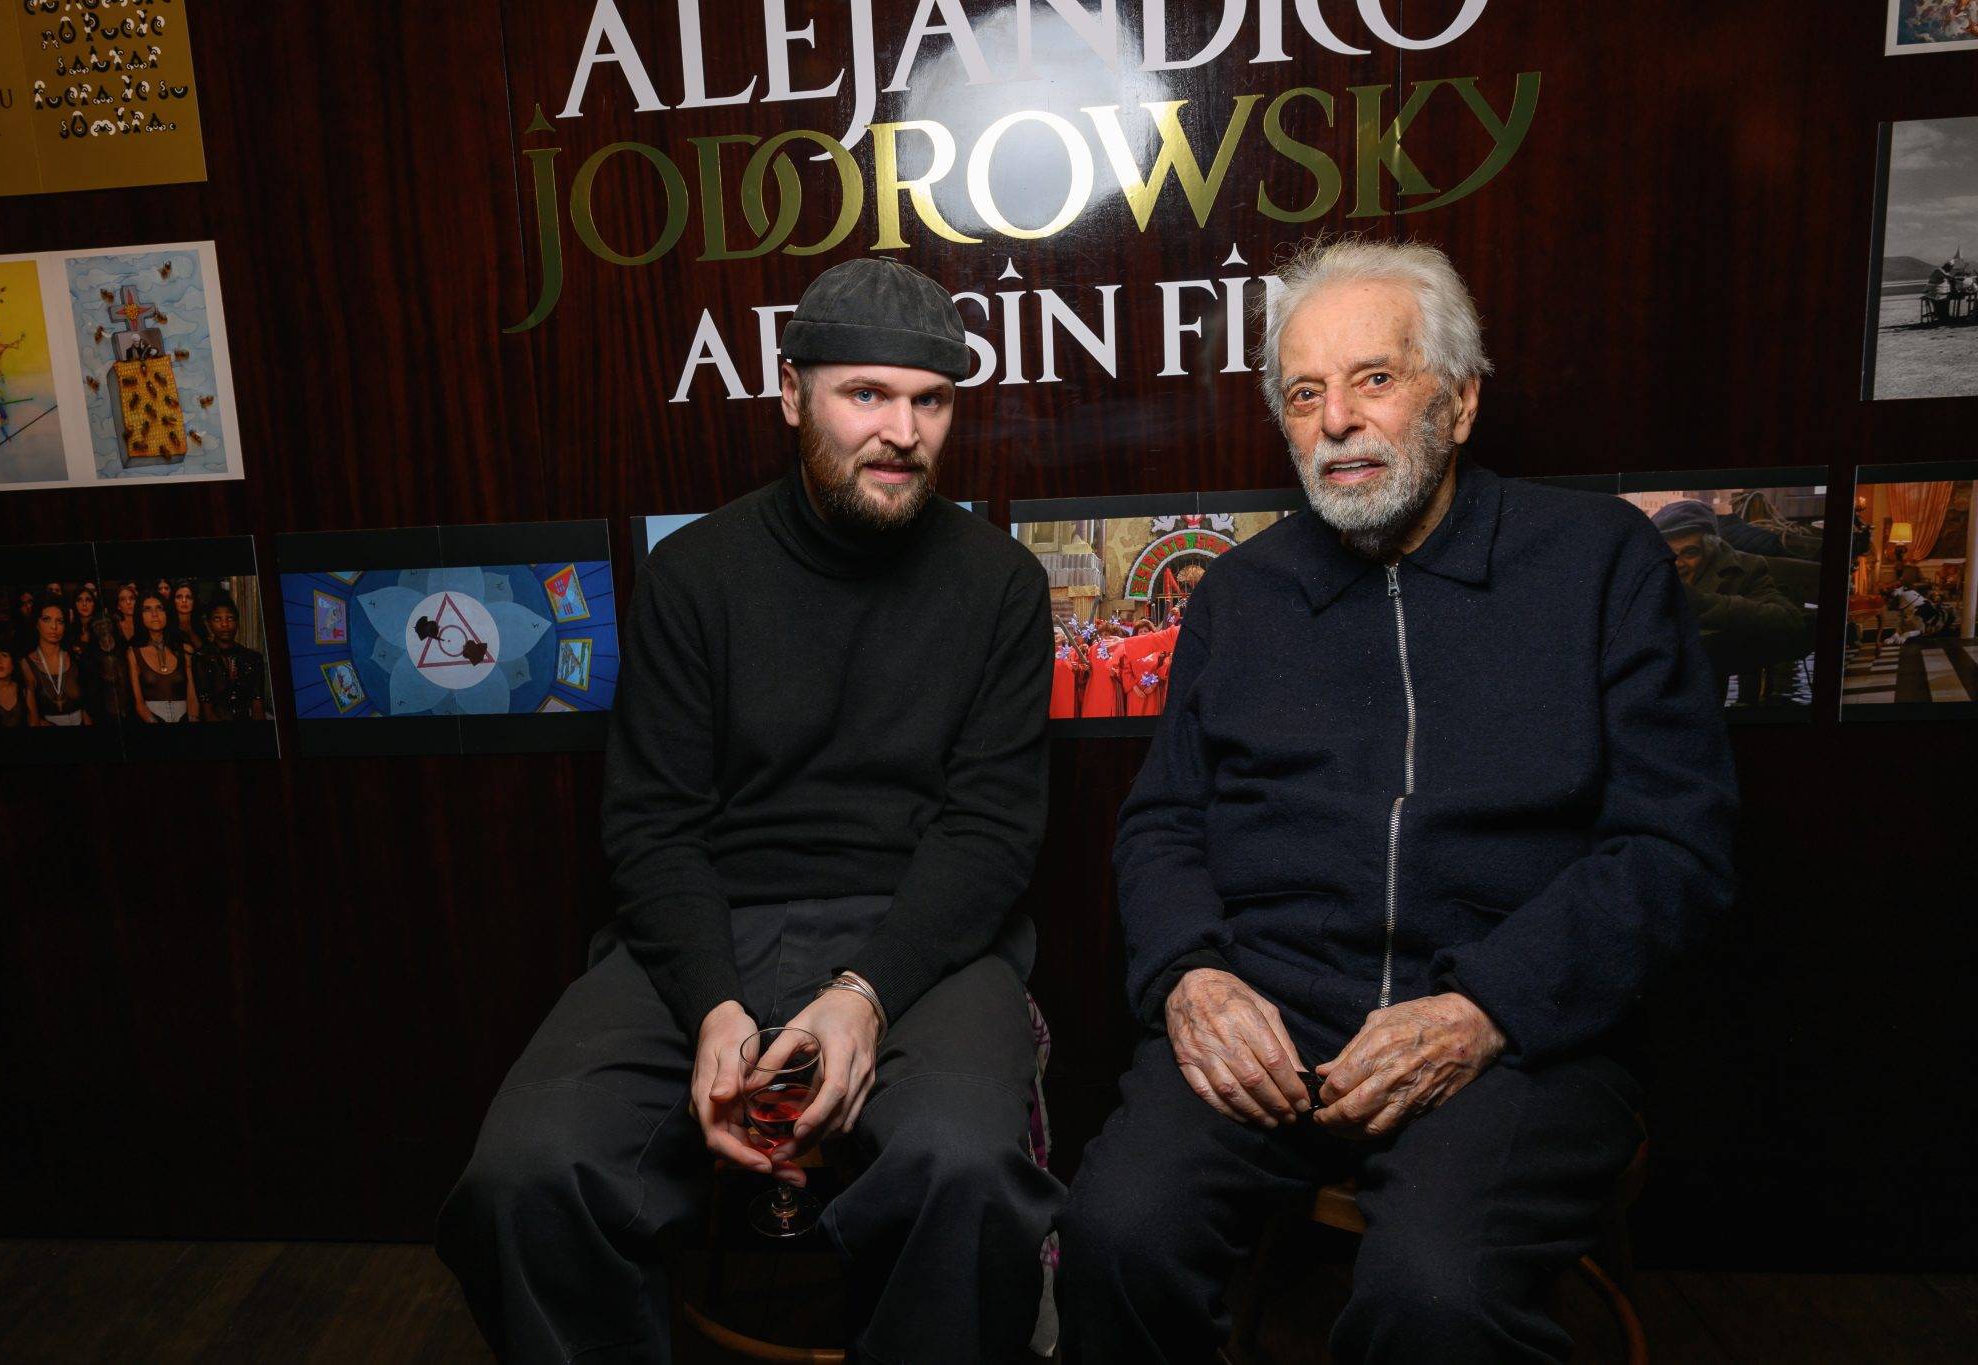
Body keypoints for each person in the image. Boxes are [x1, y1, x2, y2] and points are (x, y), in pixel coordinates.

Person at [1058, 237, 1737, 1364]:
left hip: (1514, 1025)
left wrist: (1486, 1008)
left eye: (1373, 378)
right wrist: (1190, 975)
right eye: (1304, 393)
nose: (1335, 421)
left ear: (1460, 402)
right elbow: (1163, 822)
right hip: (1270, 1014)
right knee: (1112, 1235)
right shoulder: (1239, 596)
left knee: (1437, 1297)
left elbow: (1673, 847)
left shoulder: (1596, 565)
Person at [439, 257, 1061, 1365]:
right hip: (715, 924)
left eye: (930, 402)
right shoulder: (695, 575)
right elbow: (653, 825)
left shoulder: (1000, 584)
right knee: (525, 1173)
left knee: (963, 1171)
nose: (902, 431)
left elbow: (989, 833)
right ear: (789, 395)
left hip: (916, 936)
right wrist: (714, 1008)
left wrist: (863, 996)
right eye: (864, 394)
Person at [1650, 500, 1811, 704]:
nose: (1678, 564)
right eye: (1669, 555)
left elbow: (1790, 620)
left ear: (1710, 549)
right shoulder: (1642, 570)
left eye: (1690, 553)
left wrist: (1704, 605)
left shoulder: (1744, 568)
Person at [193, 596, 268, 721]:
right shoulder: (201, 658)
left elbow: (257, 705)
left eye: (230, 618)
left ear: (237, 622)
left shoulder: (253, 658)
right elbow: (206, 708)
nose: (225, 624)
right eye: (217, 619)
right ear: (209, 623)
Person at [127, 592, 197, 723]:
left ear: (167, 613)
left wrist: (193, 719)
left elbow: (192, 695)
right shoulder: (133, 652)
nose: (154, 614)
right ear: (140, 616)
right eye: (147, 609)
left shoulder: (185, 649)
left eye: (159, 608)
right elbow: (139, 702)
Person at [21, 597, 88, 726]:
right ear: (37, 623)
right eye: (47, 619)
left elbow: (86, 706)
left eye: (60, 621)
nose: (54, 626)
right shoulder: (27, 663)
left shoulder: (75, 658)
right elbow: (31, 718)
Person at [171, 580, 204, 655]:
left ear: (194, 601)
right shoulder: (168, 627)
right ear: (173, 600)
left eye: (188, 597)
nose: (184, 600)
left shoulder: (202, 625)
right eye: (179, 597)